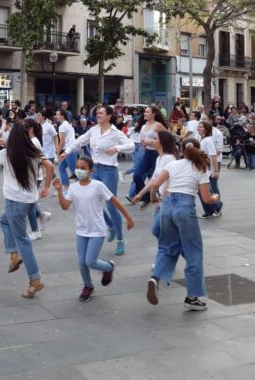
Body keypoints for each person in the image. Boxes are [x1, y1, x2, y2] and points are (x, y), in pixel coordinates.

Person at [146, 137, 219, 311]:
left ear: (181, 150)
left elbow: (155, 184)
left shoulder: (173, 164)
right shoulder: (201, 167)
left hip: (167, 205)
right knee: (194, 252)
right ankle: (192, 297)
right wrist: (216, 197)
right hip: (185, 207)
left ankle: (155, 277)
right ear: (198, 149)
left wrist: (154, 198)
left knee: (166, 246)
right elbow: (207, 199)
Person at [53, 156, 134, 302]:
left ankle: (108, 267)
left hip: (97, 230)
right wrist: (59, 191)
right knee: (81, 262)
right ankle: (88, 286)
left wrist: (128, 217)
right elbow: (65, 206)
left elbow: (115, 202)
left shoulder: (98, 185)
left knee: (90, 261)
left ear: (91, 171)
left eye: (83, 168)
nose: (79, 170)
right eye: (77, 167)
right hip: (81, 230)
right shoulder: (73, 187)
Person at [0, 123, 53, 298]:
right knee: (4, 220)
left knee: (23, 241)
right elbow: (50, 167)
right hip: (30, 200)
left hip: (14, 201)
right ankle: (13, 254)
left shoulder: (6, 153)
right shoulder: (34, 152)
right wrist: (46, 187)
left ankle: (35, 279)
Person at [61, 105, 135, 255]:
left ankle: (121, 240)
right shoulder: (93, 130)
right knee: (90, 198)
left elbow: (131, 145)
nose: (98, 115)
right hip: (93, 169)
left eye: (101, 113)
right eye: (97, 113)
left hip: (109, 170)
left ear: (109, 115)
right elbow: (80, 140)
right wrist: (67, 152)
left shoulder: (115, 132)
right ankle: (111, 226)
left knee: (111, 204)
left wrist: (117, 149)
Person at [131, 130, 179, 241]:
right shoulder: (159, 158)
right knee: (159, 231)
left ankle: (173, 248)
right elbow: (153, 179)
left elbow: (171, 182)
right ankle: (169, 249)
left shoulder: (169, 159)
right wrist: (140, 194)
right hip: (160, 201)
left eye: (155, 139)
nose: (152, 141)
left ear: (162, 142)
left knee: (158, 230)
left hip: (166, 201)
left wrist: (163, 200)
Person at [130, 105, 168, 206]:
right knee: (137, 176)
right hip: (147, 154)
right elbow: (142, 141)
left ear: (154, 114)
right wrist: (143, 143)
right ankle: (146, 197)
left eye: (147, 112)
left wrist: (151, 142)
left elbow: (167, 137)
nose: (144, 114)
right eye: (145, 112)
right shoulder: (143, 126)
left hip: (157, 153)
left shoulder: (158, 125)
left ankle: (158, 198)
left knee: (156, 178)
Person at [197, 121, 222, 218]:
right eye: (198, 127)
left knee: (204, 191)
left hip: (208, 170)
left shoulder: (208, 140)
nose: (198, 128)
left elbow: (213, 155)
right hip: (203, 169)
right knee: (202, 191)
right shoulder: (202, 139)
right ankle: (208, 211)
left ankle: (217, 205)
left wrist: (215, 171)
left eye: (201, 127)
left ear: (206, 130)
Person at [55, 109, 77, 190]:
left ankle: (82, 189)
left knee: (74, 172)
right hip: (71, 150)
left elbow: (62, 142)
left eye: (57, 115)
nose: (56, 116)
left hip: (69, 151)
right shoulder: (68, 124)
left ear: (62, 116)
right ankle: (67, 188)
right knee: (61, 168)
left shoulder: (62, 126)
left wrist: (57, 153)